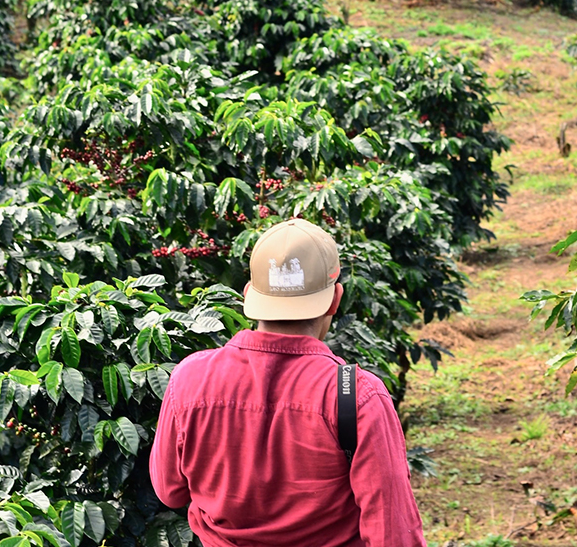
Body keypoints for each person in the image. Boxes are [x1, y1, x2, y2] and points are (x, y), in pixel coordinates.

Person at [149, 218, 426, 547]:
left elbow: (169, 491)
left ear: (249, 295)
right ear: (335, 299)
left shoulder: (190, 378)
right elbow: (393, 535)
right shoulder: (355, 396)